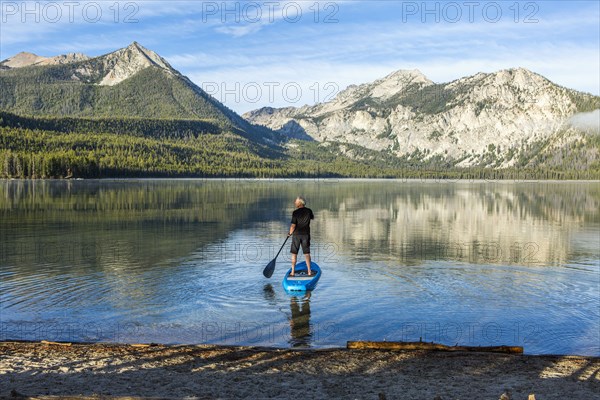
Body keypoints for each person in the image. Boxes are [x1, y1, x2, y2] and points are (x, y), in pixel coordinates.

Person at [288, 196, 314, 276]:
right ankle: (309, 271)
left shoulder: (295, 213)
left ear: (300, 203)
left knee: (294, 253)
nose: (295, 202)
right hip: (305, 235)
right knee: (307, 253)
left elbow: (293, 226)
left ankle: (292, 272)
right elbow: (312, 218)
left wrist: (289, 233)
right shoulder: (309, 211)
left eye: (296, 201)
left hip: (296, 235)